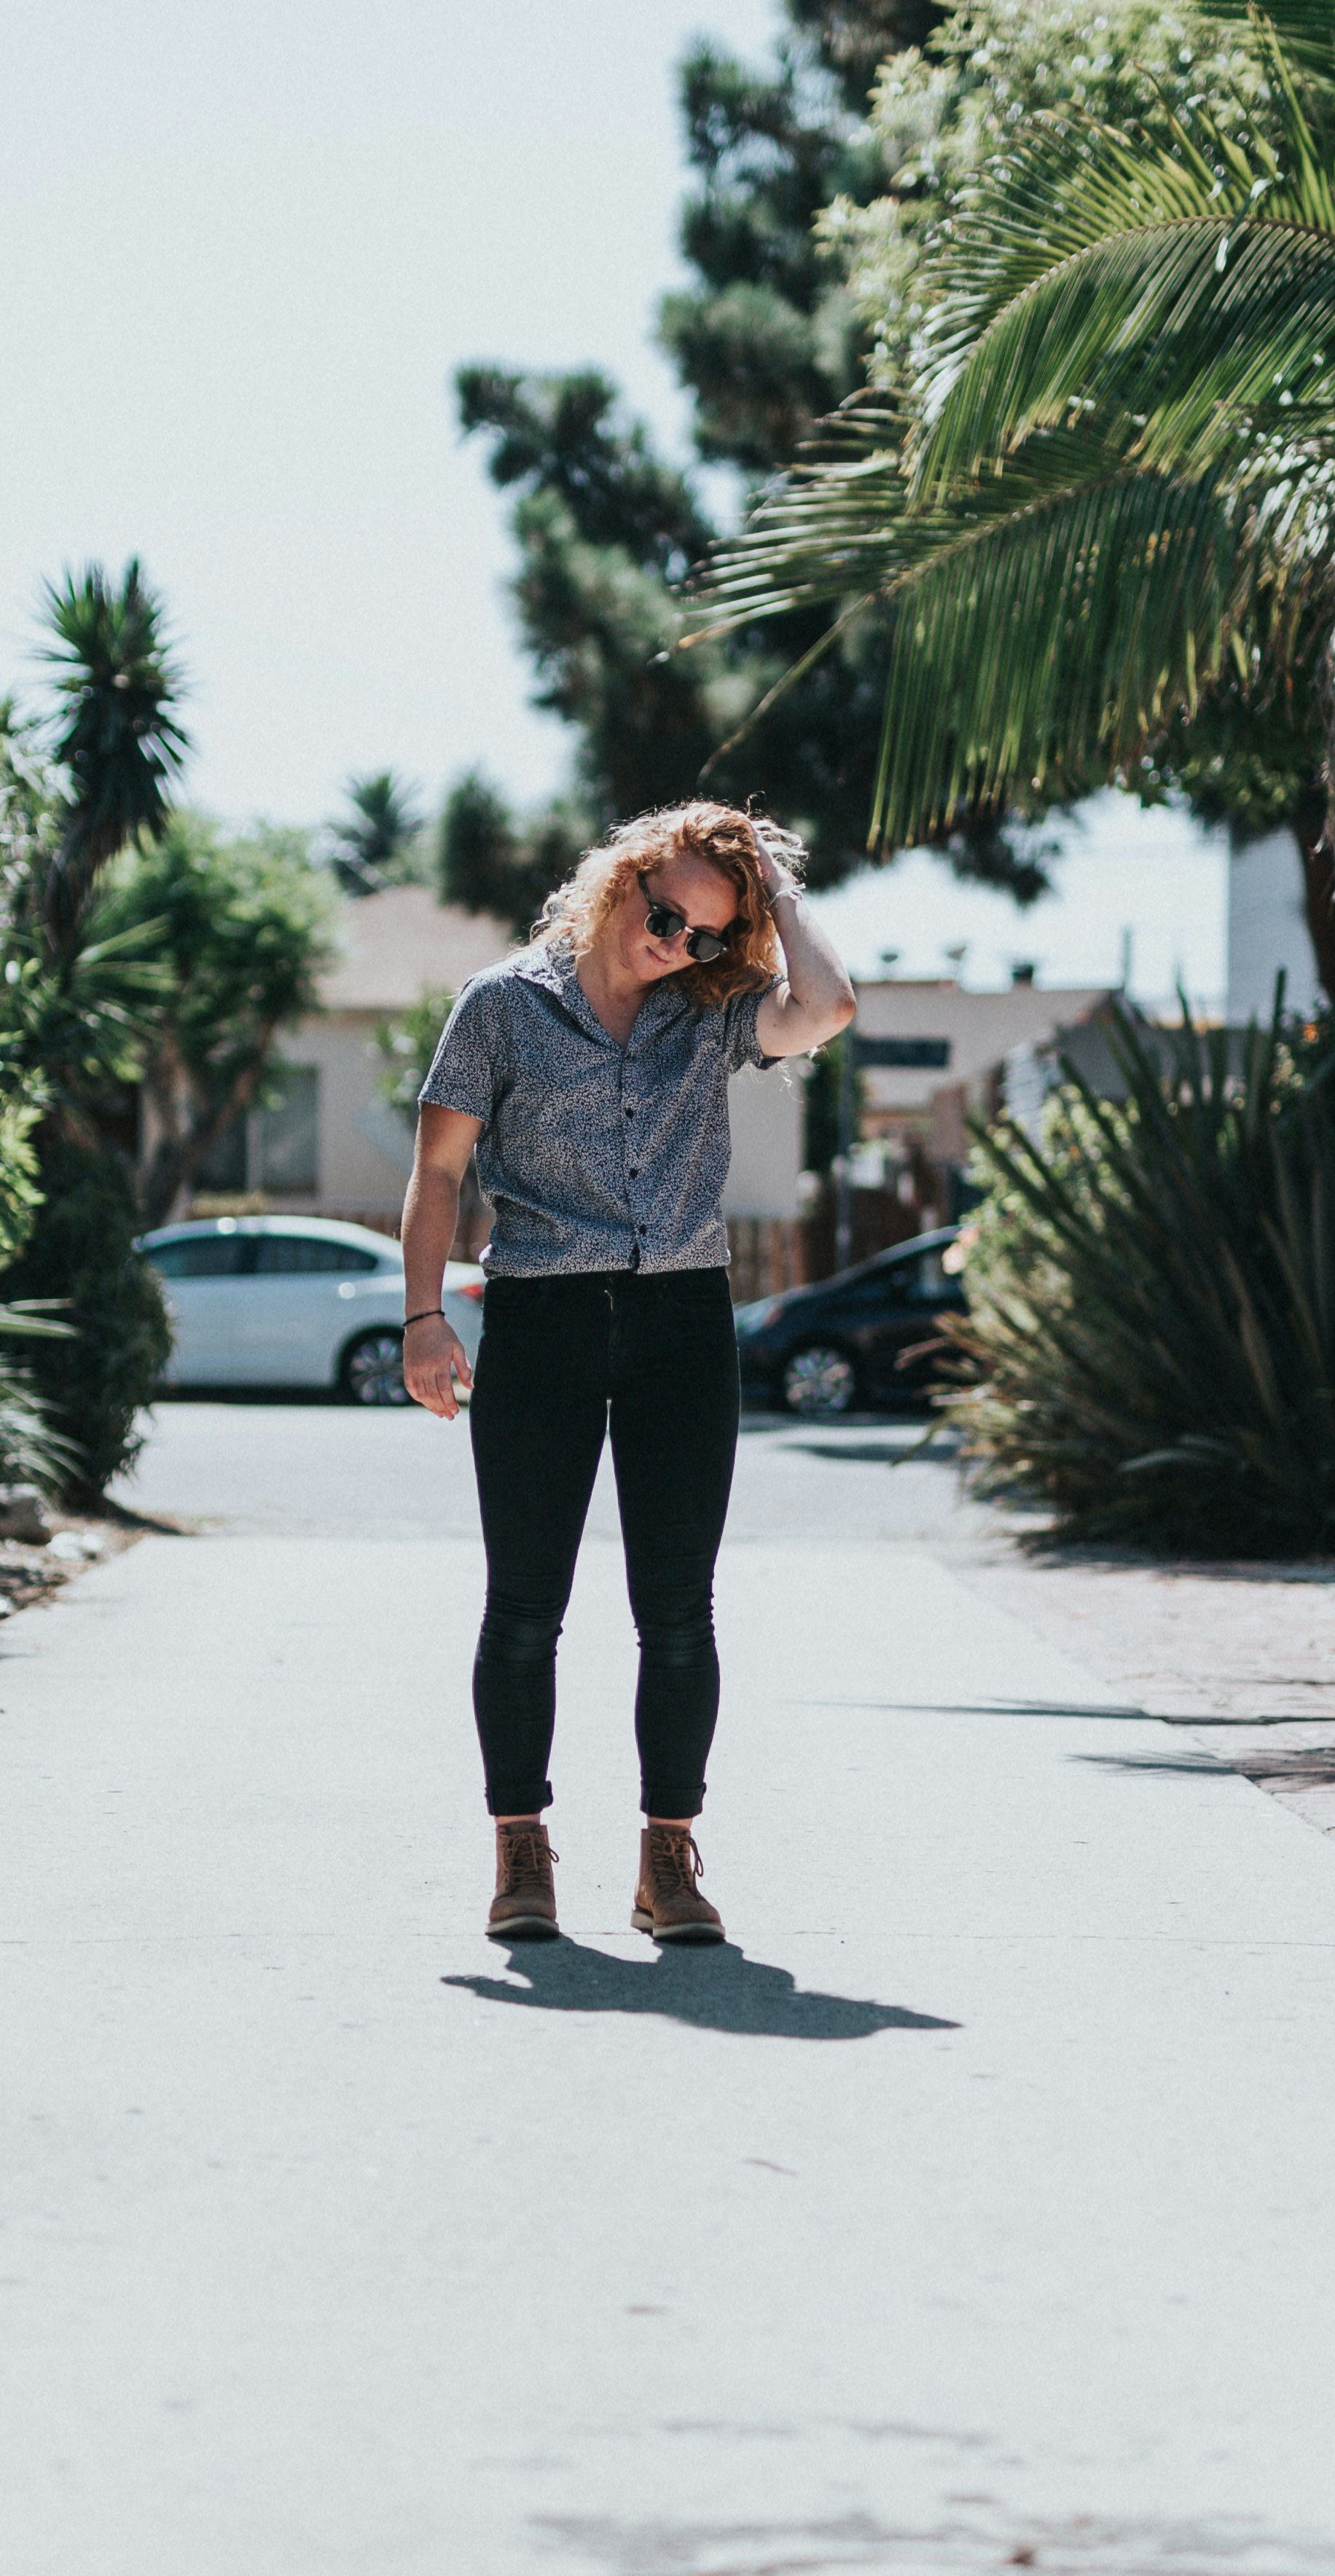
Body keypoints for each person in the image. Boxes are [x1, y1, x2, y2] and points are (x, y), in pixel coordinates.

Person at [400, 801, 858, 1944]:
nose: (678, 948)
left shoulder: (704, 1016)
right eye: (666, 919)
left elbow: (830, 1008)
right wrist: (422, 1316)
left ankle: (668, 1858)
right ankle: (521, 1852)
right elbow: (440, 1173)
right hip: (544, 1317)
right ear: (619, 882)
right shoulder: (502, 1006)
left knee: (680, 1616)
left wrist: (776, 892)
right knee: (523, 1611)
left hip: (682, 1324)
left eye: (706, 937)